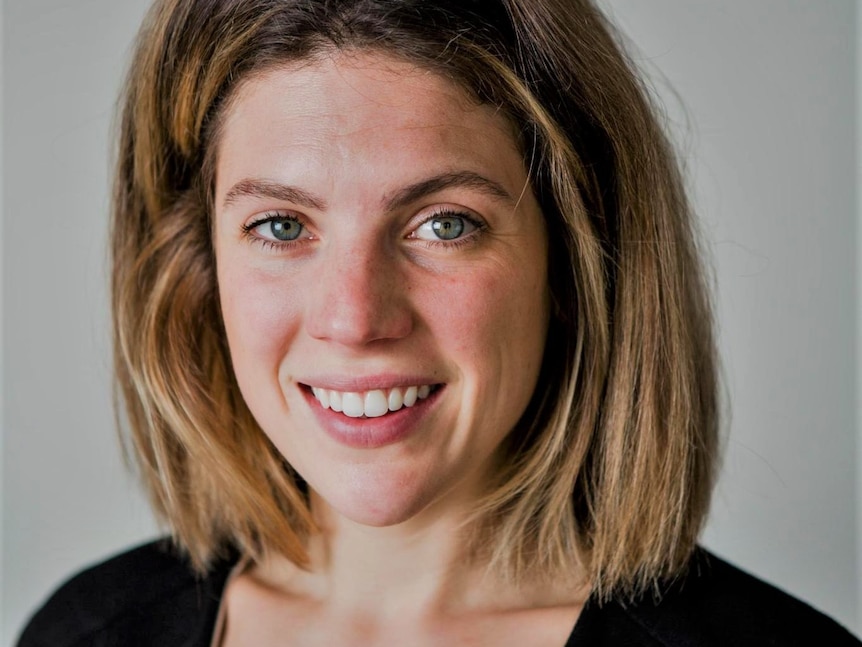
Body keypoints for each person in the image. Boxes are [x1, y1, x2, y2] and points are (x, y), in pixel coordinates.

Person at [16, 0, 860, 645]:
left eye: (444, 224)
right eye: (281, 225)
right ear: (198, 269)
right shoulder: (85, 632)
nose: (354, 318)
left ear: (575, 261)